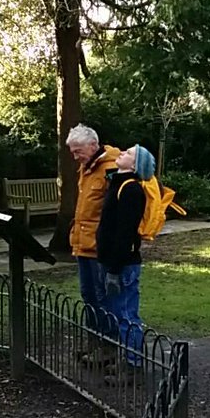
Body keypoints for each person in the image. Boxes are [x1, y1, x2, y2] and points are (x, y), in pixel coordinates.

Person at [95, 144, 155, 365]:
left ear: (136, 165)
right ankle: (125, 358)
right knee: (117, 313)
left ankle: (133, 364)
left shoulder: (131, 190)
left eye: (128, 153)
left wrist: (113, 269)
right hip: (110, 261)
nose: (121, 153)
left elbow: (125, 234)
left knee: (127, 316)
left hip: (122, 265)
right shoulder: (117, 184)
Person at [66, 124, 119, 332]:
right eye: (72, 152)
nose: (75, 157)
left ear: (93, 145)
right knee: (88, 294)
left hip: (99, 245)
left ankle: (109, 342)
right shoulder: (87, 167)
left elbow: (114, 210)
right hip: (83, 243)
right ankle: (95, 338)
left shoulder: (111, 168)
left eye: (78, 151)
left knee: (102, 296)